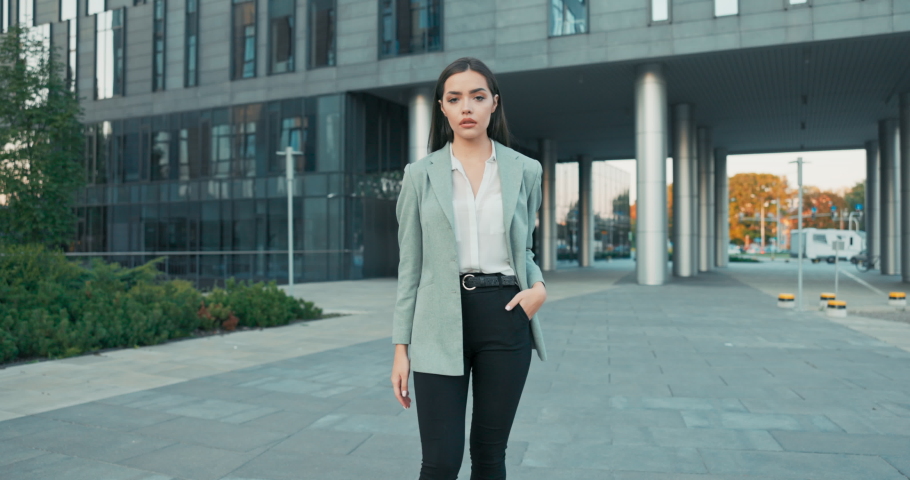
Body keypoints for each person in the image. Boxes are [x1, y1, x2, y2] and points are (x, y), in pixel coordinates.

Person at [390, 57, 548, 480]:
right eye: (455, 98)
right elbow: (411, 267)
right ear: (442, 107)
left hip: (507, 312)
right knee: (440, 462)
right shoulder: (419, 176)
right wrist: (400, 347)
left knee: (490, 457)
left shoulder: (525, 170)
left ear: (493, 104)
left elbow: (525, 250)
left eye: (477, 97)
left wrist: (538, 288)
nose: (467, 107)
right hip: (438, 319)